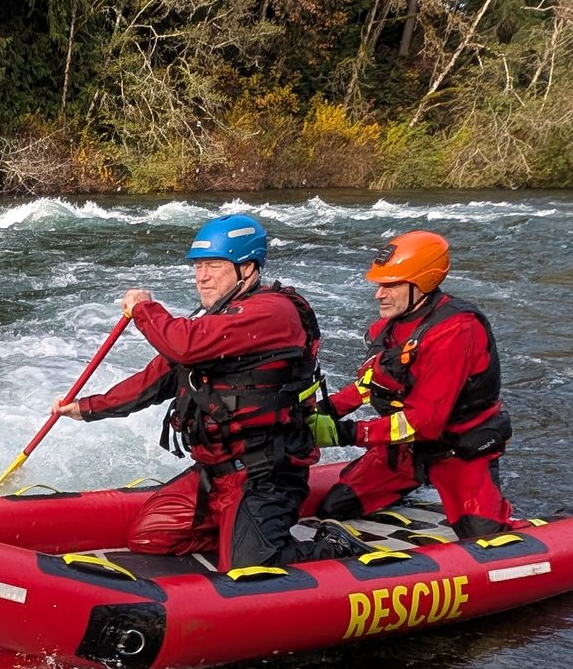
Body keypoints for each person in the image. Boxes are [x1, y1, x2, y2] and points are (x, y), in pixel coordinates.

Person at [51, 214, 358, 572]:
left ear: (248, 268)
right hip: (216, 474)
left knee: (249, 566)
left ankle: (333, 545)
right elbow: (157, 379)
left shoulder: (273, 312)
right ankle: (235, 532)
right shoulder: (215, 318)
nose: (202, 276)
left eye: (214, 265)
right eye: (198, 266)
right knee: (148, 535)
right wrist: (88, 407)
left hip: (266, 476)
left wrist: (144, 309)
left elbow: (182, 345)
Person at [314, 230, 514, 539]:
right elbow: (371, 384)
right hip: (405, 451)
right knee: (337, 505)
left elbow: (425, 423)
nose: (378, 294)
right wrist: (324, 409)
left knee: (485, 539)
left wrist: (346, 433)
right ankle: (407, 486)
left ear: (424, 283)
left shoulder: (457, 331)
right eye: (381, 284)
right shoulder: (389, 327)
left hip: (457, 452)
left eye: (391, 285)